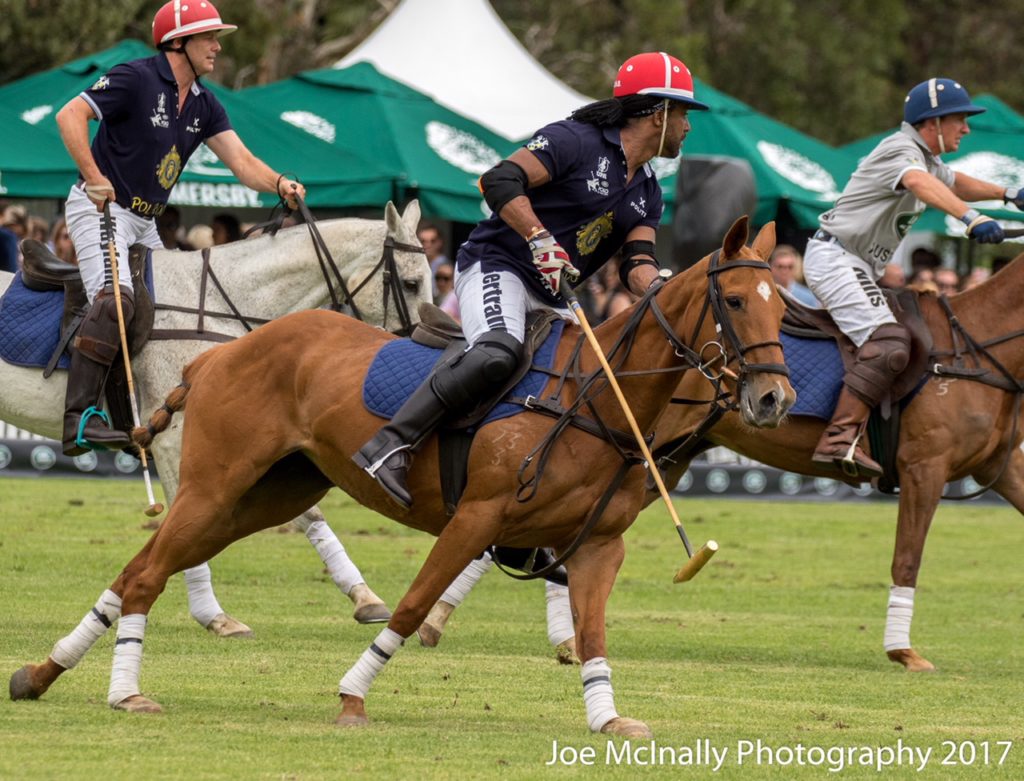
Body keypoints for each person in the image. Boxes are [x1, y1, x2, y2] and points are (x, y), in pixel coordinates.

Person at [353, 51, 707, 509]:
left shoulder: (648, 190)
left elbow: (636, 259)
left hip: (552, 291)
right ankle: (391, 445)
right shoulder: (575, 141)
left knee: (579, 384)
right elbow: (499, 180)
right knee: (498, 352)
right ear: (657, 113)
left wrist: (658, 287)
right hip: (497, 264)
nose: (688, 126)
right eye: (683, 113)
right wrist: (538, 237)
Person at [55, 0, 306, 456]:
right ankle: (79, 420)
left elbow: (243, 163)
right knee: (116, 302)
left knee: (175, 309)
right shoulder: (135, 77)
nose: (217, 46)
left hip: (146, 221)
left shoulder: (206, 104)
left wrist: (279, 183)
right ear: (178, 42)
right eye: (209, 37)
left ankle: (145, 410)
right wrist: (94, 176)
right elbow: (69, 115)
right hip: (100, 210)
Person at [803, 77, 1024, 478]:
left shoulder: (927, 159)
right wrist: (970, 219)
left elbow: (955, 182)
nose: (967, 129)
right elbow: (918, 183)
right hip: (835, 258)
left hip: (856, 264)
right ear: (932, 122)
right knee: (888, 342)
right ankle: (839, 437)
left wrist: (1008, 193)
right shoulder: (901, 150)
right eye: (960, 119)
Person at [418, 222, 449, 298]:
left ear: (440, 242)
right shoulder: (417, 264)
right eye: (423, 241)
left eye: (433, 241)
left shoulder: (447, 267)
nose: (428, 245)